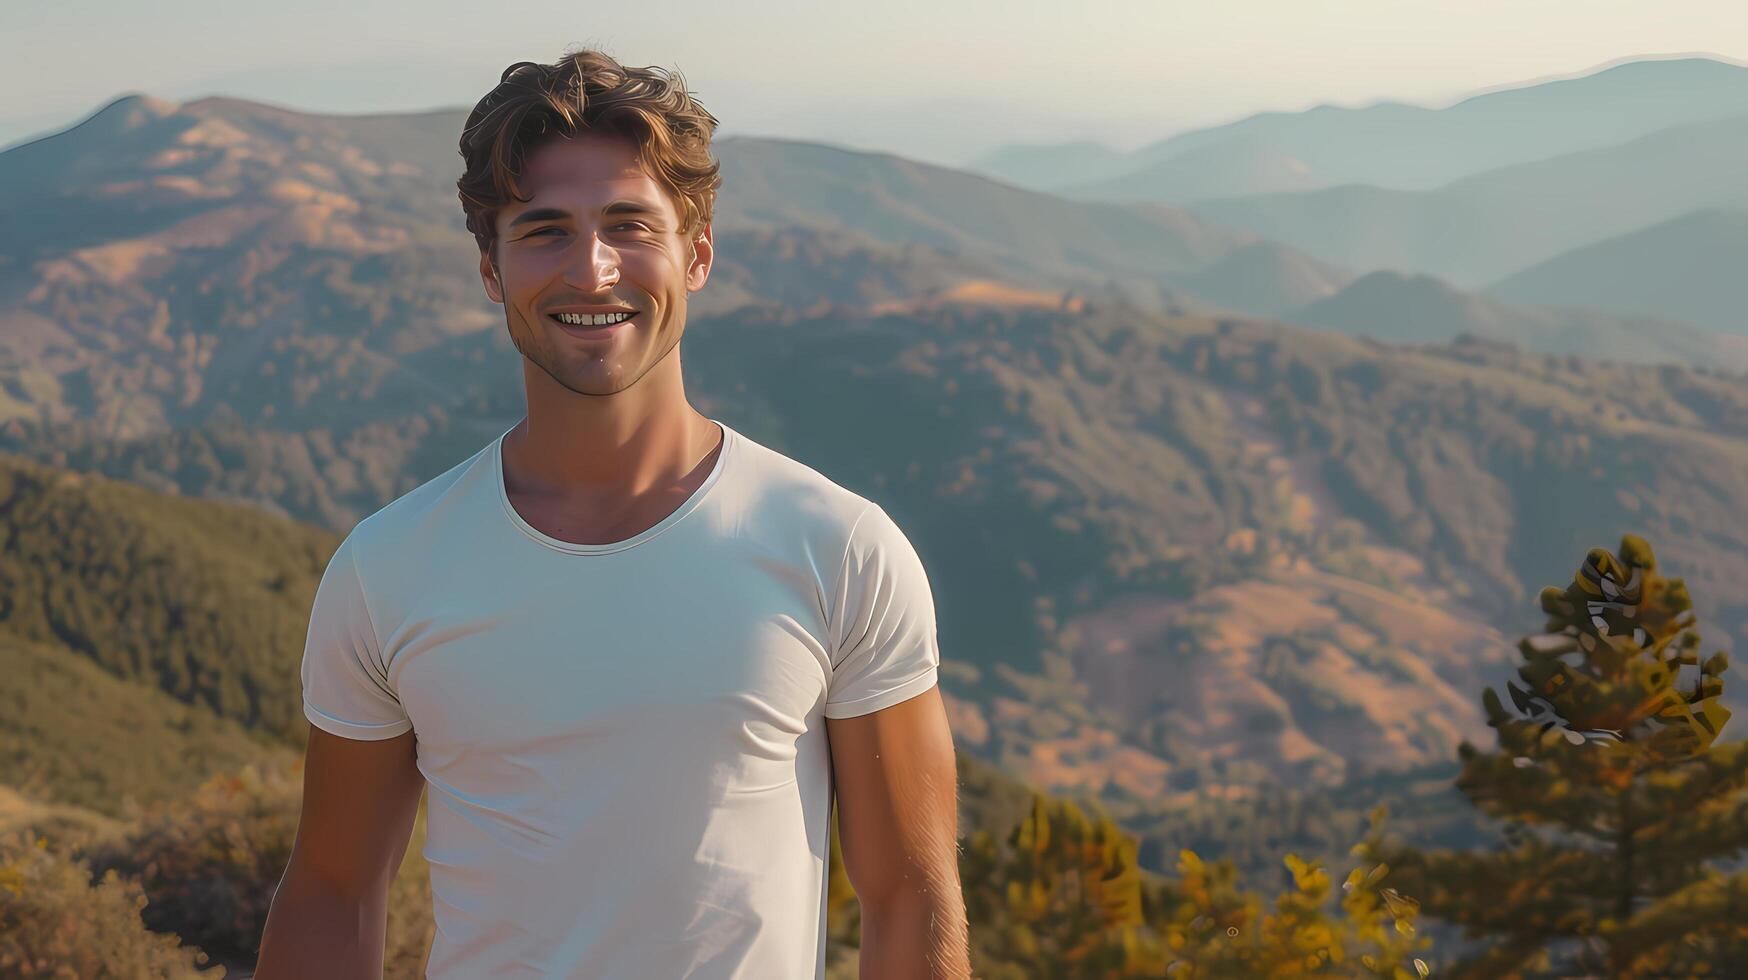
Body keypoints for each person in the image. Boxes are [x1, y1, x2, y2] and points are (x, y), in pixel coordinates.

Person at [255, 48, 969, 979]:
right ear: (491, 269)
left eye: (629, 225)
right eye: (544, 231)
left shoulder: (838, 547)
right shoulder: (387, 567)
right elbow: (331, 893)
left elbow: (912, 897)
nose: (592, 271)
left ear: (696, 254)